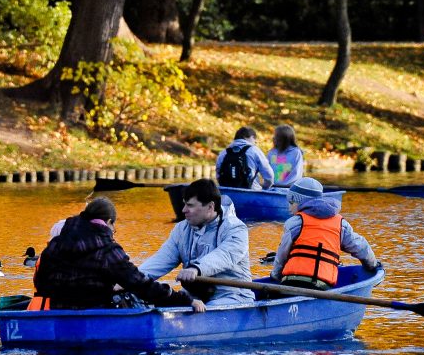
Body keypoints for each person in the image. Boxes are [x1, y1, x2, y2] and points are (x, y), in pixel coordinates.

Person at [31, 197, 205, 312]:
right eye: (114, 226)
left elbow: (40, 283)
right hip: (96, 316)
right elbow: (141, 285)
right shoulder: (108, 250)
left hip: (56, 313)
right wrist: (184, 299)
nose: (114, 231)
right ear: (108, 222)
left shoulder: (54, 245)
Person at [138, 179, 253, 306]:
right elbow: (162, 259)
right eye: (184, 204)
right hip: (195, 295)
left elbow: (224, 256)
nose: (183, 210)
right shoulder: (182, 229)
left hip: (233, 295)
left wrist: (196, 269)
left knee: (205, 309)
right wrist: (133, 279)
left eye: (190, 205)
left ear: (210, 207)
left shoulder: (235, 229)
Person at [271, 177, 379, 290]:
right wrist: (372, 265)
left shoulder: (294, 223)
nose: (289, 207)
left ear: (301, 202)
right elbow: (361, 247)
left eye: (291, 202)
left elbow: (281, 256)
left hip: (290, 283)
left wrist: (275, 276)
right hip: (322, 287)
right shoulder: (341, 224)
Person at [216, 126, 275, 190]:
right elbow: (269, 176)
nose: (255, 143)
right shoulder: (254, 150)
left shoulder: (224, 152)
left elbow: (218, 175)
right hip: (250, 193)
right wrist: (264, 188)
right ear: (252, 137)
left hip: (227, 193)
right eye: (255, 141)